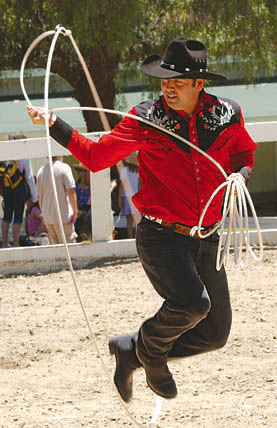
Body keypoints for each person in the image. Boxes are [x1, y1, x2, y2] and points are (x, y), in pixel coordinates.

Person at [27, 38, 258, 402]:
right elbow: (97, 156)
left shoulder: (228, 113)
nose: (167, 86)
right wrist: (55, 124)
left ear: (200, 83)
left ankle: (132, 351)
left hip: (208, 238)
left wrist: (240, 175)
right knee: (193, 304)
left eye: (177, 81)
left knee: (215, 334)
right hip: (162, 237)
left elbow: (244, 150)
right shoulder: (146, 118)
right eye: (164, 79)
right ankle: (150, 355)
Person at [1, 133, 38, 248]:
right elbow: (29, 177)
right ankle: (16, 243)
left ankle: (4, 242)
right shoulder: (23, 156)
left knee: (6, 216)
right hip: (18, 189)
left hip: (7, 189)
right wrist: (35, 197)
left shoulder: (5, 154)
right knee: (17, 216)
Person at [36, 156, 78, 244]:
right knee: (69, 248)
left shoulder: (41, 171)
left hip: (49, 217)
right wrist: (75, 211)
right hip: (64, 216)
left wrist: (43, 214)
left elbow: (39, 196)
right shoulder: (64, 168)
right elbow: (71, 191)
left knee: (55, 249)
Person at [118, 152, 139, 238]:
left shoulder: (124, 170)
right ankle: (137, 236)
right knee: (137, 220)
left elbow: (122, 186)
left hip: (126, 197)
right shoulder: (139, 171)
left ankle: (130, 236)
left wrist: (119, 198)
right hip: (137, 197)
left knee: (129, 220)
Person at [73, 163, 91, 241]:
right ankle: (76, 238)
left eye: (81, 171)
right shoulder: (75, 186)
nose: (79, 173)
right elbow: (74, 200)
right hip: (79, 210)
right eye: (78, 171)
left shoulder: (92, 186)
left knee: (91, 218)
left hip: (90, 210)